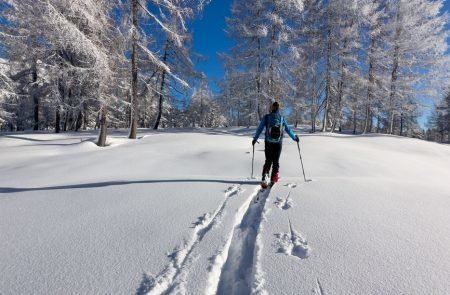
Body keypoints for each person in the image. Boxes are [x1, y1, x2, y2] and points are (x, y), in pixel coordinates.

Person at [252, 101, 299, 186]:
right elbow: (288, 130)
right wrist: (295, 138)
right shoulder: (281, 118)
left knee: (268, 160)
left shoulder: (266, 117)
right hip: (278, 142)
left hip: (268, 142)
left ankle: (265, 176)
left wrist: (255, 139)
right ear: (278, 108)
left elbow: (260, 128)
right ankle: (274, 178)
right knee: (276, 161)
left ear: (272, 108)